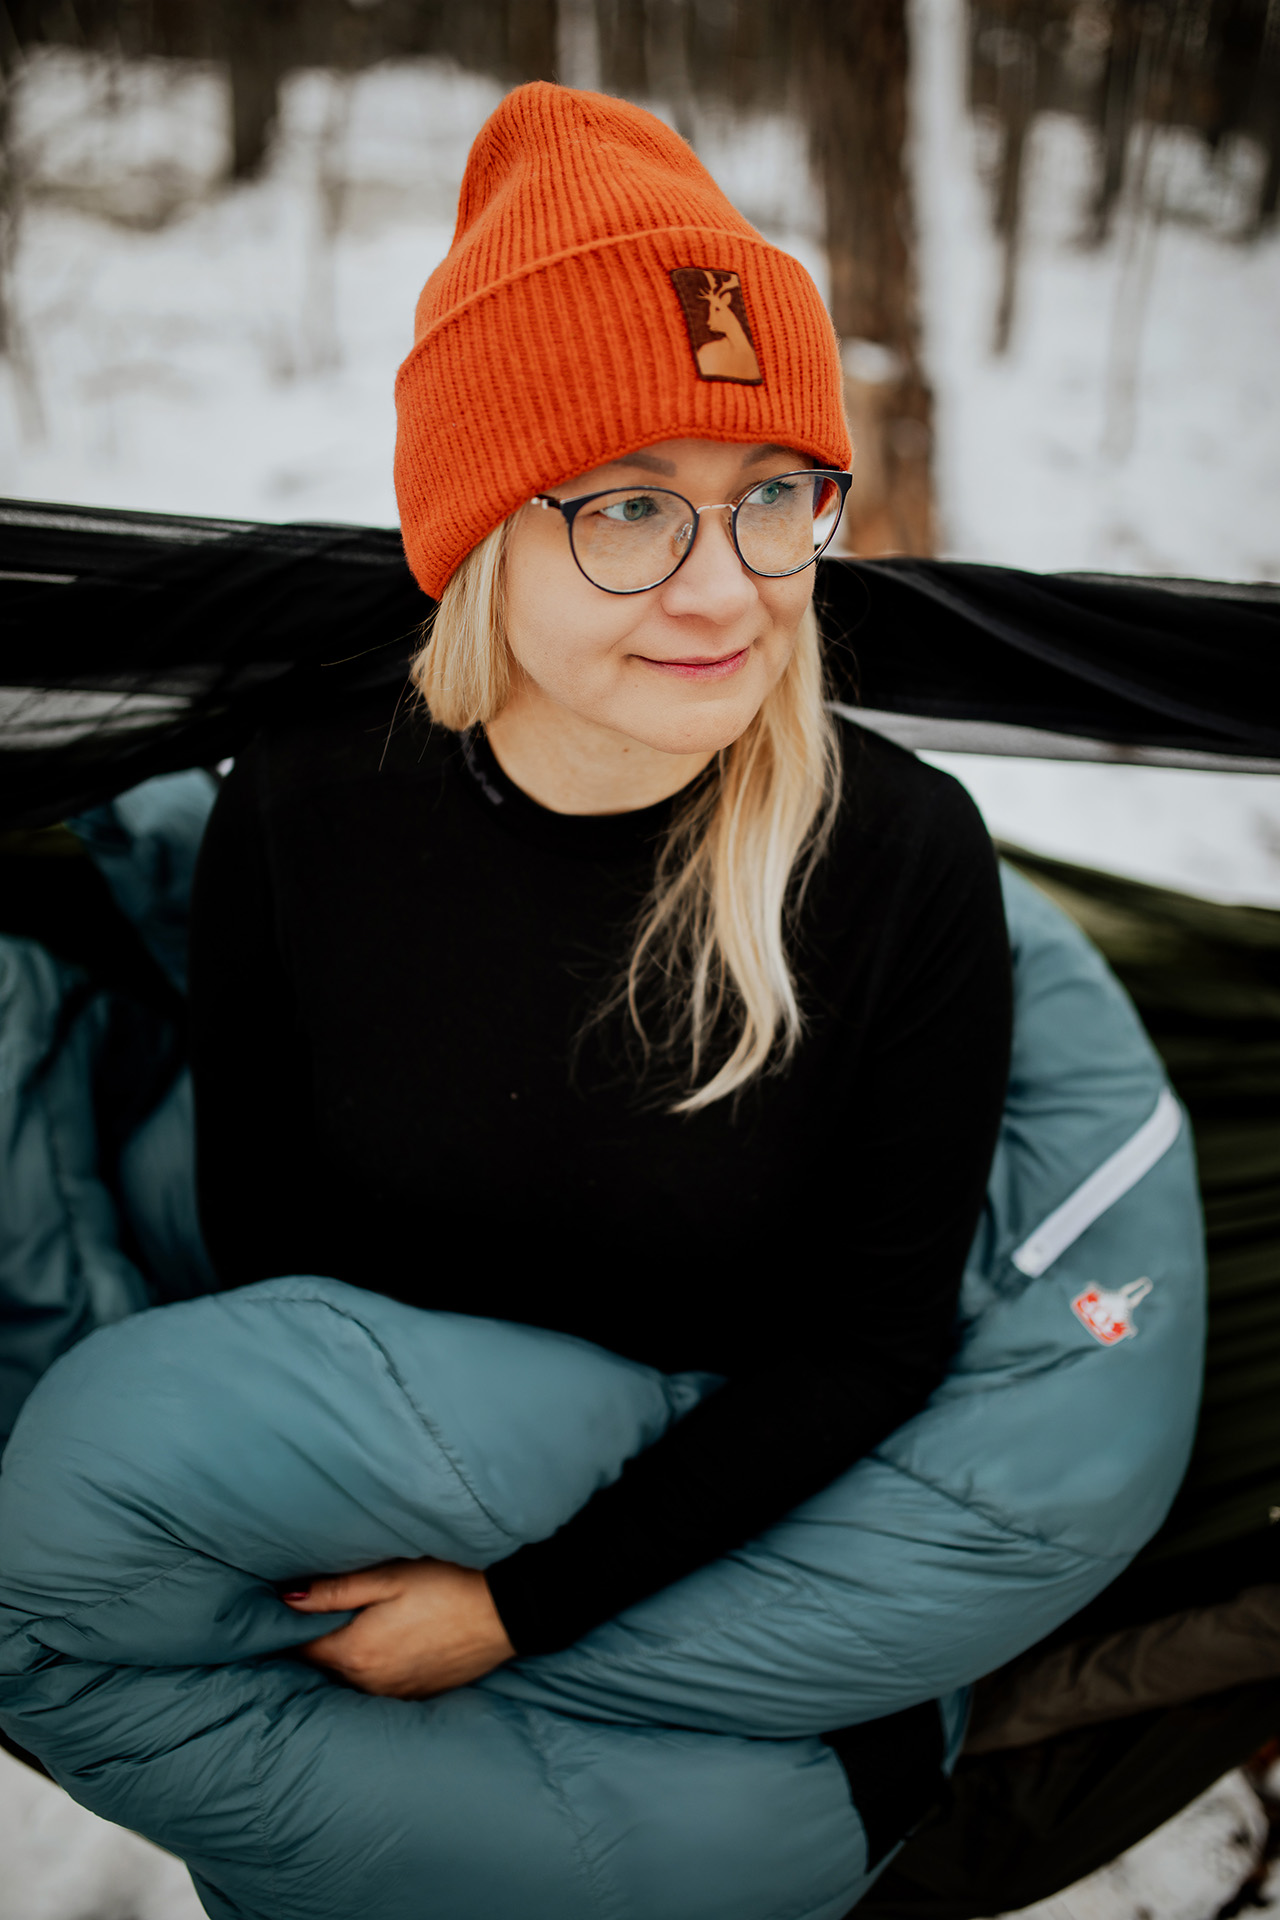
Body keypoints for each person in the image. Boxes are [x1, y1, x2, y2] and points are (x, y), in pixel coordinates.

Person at [189, 83, 1011, 1746]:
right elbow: (262, 1247)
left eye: (775, 491)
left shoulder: (899, 857)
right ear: (484, 532)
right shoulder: (302, 805)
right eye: (630, 504)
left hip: (706, 1551)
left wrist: (520, 1606)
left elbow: (873, 1342)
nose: (727, 587)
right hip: (366, 1511)